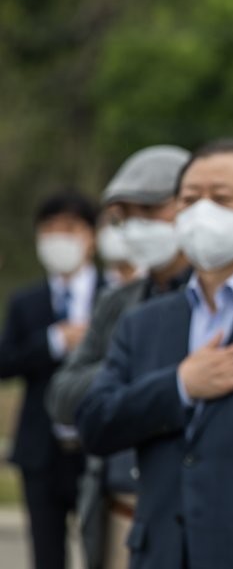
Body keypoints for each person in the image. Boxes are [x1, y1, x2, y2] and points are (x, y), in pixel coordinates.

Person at [76, 140, 233, 569]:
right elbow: (94, 422)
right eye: (189, 199)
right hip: (160, 552)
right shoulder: (145, 321)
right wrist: (180, 385)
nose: (202, 211)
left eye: (220, 198)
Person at [46, 144, 191, 569]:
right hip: (113, 510)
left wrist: (119, 386)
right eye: (124, 215)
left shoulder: (217, 303)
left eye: (149, 210)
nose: (135, 226)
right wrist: (145, 372)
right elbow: (62, 395)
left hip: (186, 510)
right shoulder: (117, 303)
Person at [0, 188, 104, 569]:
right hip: (40, 450)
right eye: (50, 230)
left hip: (97, 446)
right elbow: (4, 361)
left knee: (104, 551)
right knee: (46, 556)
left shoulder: (117, 294)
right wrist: (53, 341)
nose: (59, 239)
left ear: (91, 236)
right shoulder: (26, 301)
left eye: (70, 228)